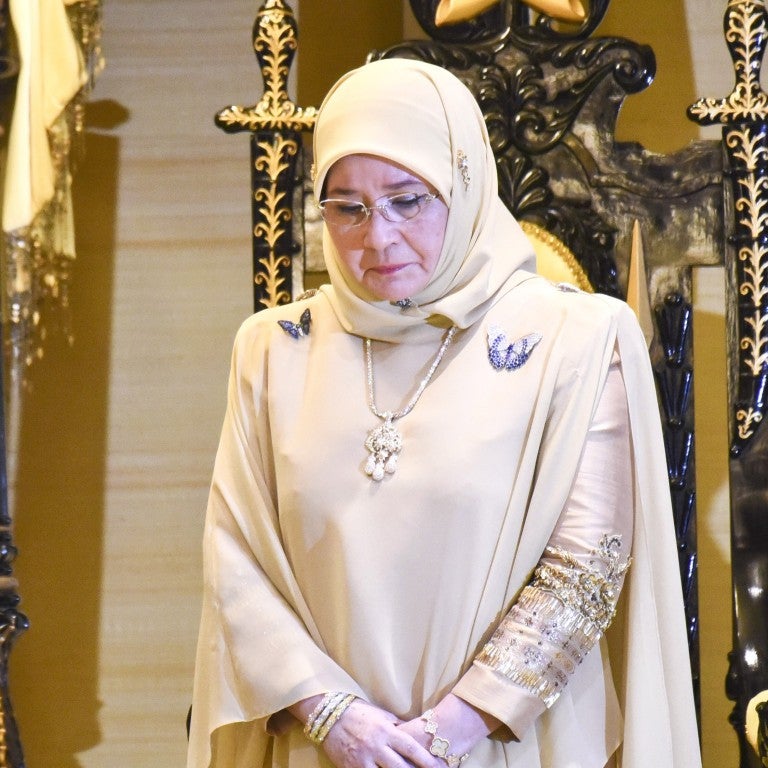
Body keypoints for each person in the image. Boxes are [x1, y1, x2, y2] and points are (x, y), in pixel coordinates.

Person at [187, 58, 701, 768]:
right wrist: (335, 718)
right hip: (327, 748)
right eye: (347, 208)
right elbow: (235, 560)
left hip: (505, 741)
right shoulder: (272, 349)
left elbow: (584, 568)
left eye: (407, 201)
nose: (378, 238)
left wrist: (441, 737)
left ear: (463, 186)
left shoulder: (577, 341)